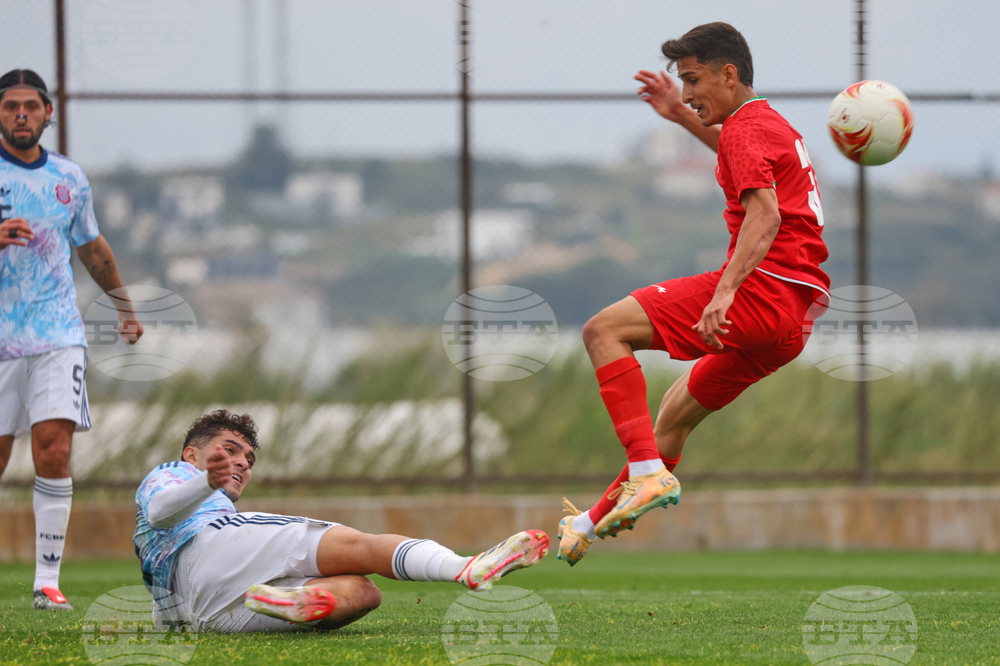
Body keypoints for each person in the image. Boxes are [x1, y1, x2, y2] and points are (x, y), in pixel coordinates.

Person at [556, 23, 831, 565]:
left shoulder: (746, 130)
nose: (685, 92)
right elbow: (739, 157)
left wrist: (725, 292)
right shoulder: (764, 124)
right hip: (793, 321)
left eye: (693, 80)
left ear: (729, 74)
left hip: (761, 293)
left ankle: (645, 477)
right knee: (671, 419)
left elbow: (764, 214)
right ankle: (589, 523)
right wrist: (681, 116)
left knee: (603, 331)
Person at [134, 409, 549, 633]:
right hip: (212, 550)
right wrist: (206, 480)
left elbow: (160, 577)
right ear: (192, 454)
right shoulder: (176, 475)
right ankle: (466, 568)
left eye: (249, 458)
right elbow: (160, 511)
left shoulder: (197, 503)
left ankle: (302, 602)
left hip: (209, 614)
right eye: (229, 449)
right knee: (359, 547)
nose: (242, 461)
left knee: (364, 593)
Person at [0, 69, 143, 609]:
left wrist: (124, 307)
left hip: (58, 334)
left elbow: (92, 248)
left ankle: (46, 582)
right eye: (10, 105)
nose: (20, 114)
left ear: (46, 113)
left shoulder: (68, 178)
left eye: (29, 106)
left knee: (54, 450)